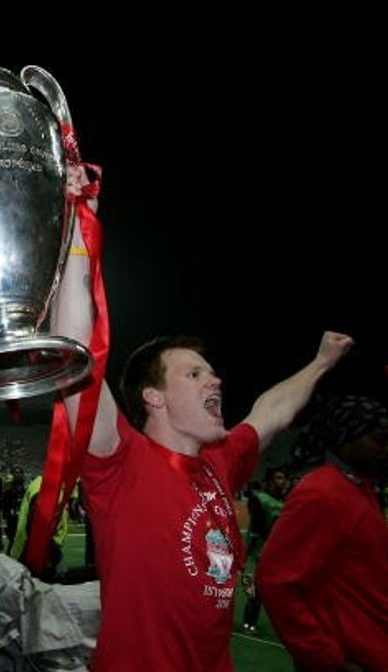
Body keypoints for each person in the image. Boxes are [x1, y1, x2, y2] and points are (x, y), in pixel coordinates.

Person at [49, 166, 354, 671]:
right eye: (194, 375)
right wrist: (80, 231)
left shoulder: (221, 460)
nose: (215, 381)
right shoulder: (119, 461)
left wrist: (321, 362)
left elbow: (272, 411)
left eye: (211, 373)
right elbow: (72, 354)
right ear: (154, 398)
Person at [257, 395, 388, 671]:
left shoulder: (359, 488)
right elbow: (276, 581)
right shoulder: (322, 494)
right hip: (354, 659)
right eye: (379, 439)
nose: (385, 449)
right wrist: (324, 658)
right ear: (346, 437)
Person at [240, 465, 288, 633]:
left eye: (283, 478)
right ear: (269, 481)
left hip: (276, 553)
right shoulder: (258, 498)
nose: (282, 482)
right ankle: (248, 623)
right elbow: (258, 528)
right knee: (254, 592)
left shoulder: (283, 501)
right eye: (278, 478)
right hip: (258, 552)